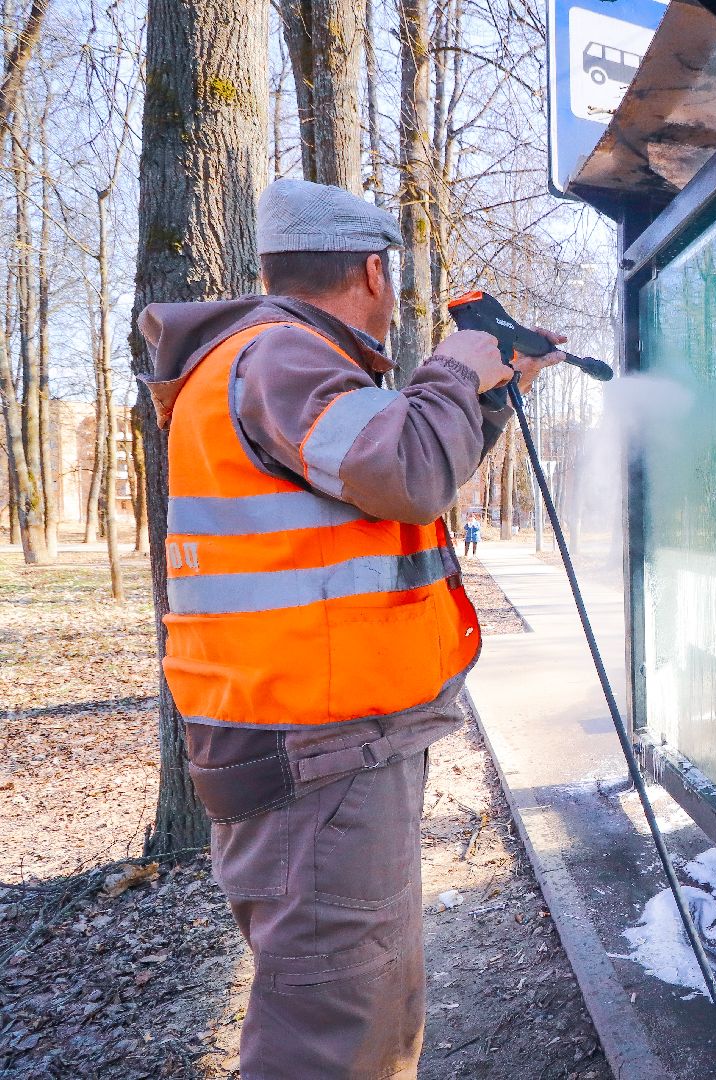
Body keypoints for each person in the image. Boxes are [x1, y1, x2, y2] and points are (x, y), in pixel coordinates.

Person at [137, 178, 565, 1079]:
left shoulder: (274, 368)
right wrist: (455, 367)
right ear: (372, 271)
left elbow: (395, 481)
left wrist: (487, 396)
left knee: (361, 1009)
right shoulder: (282, 358)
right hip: (314, 756)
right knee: (335, 1034)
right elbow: (406, 470)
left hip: (316, 745)